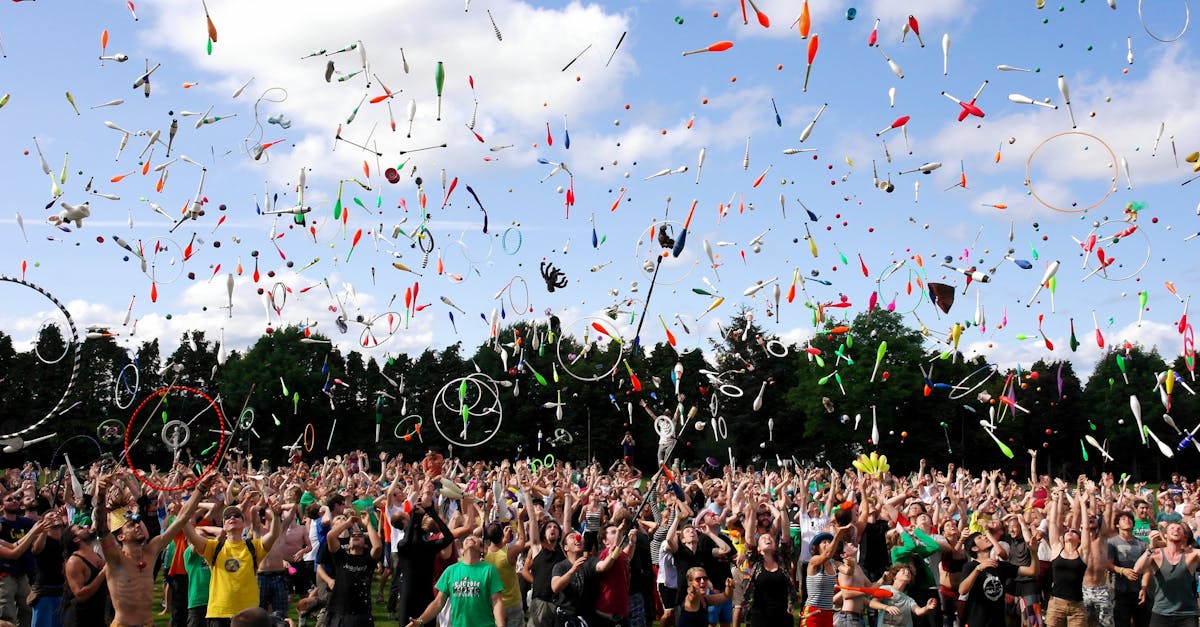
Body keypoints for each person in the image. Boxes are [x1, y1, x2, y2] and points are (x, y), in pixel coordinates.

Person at [93, 471, 213, 627]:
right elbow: (101, 528)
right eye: (130, 525)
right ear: (120, 537)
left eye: (137, 523)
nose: (137, 526)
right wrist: (101, 495)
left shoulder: (152, 549)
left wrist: (202, 487)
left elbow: (182, 518)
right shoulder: (115, 558)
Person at [181, 496, 283, 627]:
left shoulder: (254, 547)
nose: (232, 517)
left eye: (237, 515)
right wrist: (183, 514)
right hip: (219, 613)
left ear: (243, 522)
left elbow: (273, 534)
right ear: (224, 525)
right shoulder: (214, 547)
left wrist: (275, 515)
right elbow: (192, 536)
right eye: (228, 517)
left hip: (248, 615)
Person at [405, 535, 504, 627]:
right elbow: (438, 602)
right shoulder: (450, 571)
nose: (470, 538)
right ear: (461, 550)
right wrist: (420, 621)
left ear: (481, 549)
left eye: (474, 538)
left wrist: (501, 625)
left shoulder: (489, 570)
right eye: (467, 538)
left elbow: (497, 601)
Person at [958, 531, 1039, 627]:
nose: (984, 537)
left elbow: (1033, 571)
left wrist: (1033, 552)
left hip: (999, 623)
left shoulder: (1001, 566)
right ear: (975, 548)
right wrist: (978, 569)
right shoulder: (970, 566)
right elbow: (962, 590)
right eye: (979, 538)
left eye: (983, 535)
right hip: (978, 622)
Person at [1133, 522, 1200, 627]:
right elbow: (1137, 569)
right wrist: (1151, 547)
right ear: (1165, 535)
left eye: (1179, 529)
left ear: (1184, 536)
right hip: (1161, 613)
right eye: (1172, 528)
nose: (1176, 530)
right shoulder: (1156, 553)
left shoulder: (1193, 554)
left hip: (1187, 613)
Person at [324, 514, 383, 627]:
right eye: (353, 536)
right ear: (348, 545)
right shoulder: (341, 557)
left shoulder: (368, 560)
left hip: (362, 614)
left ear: (365, 545)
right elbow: (330, 537)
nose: (356, 536)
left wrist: (368, 524)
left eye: (360, 536)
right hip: (339, 613)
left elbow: (378, 547)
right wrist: (347, 523)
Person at [1045, 491, 1089, 627]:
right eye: (1067, 531)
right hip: (1056, 603)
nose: (1069, 531)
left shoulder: (1083, 552)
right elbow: (1053, 522)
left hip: (1077, 605)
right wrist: (1056, 500)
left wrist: (1082, 503)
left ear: (1080, 539)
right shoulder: (1057, 549)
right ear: (1062, 538)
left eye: (1074, 531)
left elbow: (1086, 527)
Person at [61, 521, 108, 627]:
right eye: (80, 528)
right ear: (76, 539)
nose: (86, 526)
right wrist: (103, 572)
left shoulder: (97, 556)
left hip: (98, 618)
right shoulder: (74, 562)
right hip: (81, 620)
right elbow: (80, 595)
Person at [743, 532, 794, 627]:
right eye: (763, 538)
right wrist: (751, 516)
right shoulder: (754, 562)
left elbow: (786, 538)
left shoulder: (783, 562)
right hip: (759, 616)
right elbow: (749, 538)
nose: (768, 539)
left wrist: (784, 516)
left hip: (783, 616)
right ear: (758, 548)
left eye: (770, 537)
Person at [1108, 512, 1150, 627]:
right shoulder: (1111, 542)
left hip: (1139, 592)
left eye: (1130, 519)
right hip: (1119, 592)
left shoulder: (1142, 544)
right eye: (1123, 519)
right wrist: (1122, 571)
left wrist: (1144, 588)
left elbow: (1147, 569)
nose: (1127, 520)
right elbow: (1108, 564)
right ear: (1117, 525)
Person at [804, 526, 851, 627]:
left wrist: (851, 563)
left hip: (828, 612)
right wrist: (838, 536)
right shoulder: (814, 561)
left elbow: (849, 572)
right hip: (813, 612)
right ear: (817, 547)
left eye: (829, 542)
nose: (828, 544)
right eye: (824, 542)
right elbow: (827, 555)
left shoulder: (835, 563)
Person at [482, 522, 525, 627]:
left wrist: (503, 540)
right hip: (513, 603)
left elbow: (496, 550)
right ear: (502, 535)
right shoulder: (510, 553)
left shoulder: (484, 555)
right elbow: (522, 540)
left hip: (494, 604)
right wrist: (520, 518)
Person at [551, 531, 598, 627]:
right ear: (566, 547)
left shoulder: (590, 561)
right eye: (572, 537)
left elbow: (603, 566)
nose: (577, 538)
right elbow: (555, 587)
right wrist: (573, 570)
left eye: (579, 537)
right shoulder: (560, 566)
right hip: (565, 619)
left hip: (587, 618)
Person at [869, 563, 938, 627]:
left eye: (909, 572)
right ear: (894, 577)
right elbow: (872, 603)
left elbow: (918, 611)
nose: (907, 572)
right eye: (903, 571)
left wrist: (927, 607)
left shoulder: (908, 600)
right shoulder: (885, 589)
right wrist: (886, 607)